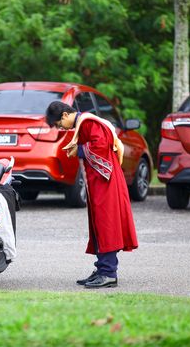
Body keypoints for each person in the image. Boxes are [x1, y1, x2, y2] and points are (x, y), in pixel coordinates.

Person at [45, 101, 138, 288]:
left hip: (107, 182)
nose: (60, 128)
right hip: (100, 182)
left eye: (58, 124)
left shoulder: (88, 123)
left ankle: (109, 273)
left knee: (107, 224)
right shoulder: (84, 123)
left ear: (64, 115)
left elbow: (101, 146)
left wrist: (78, 150)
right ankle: (102, 269)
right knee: (99, 224)